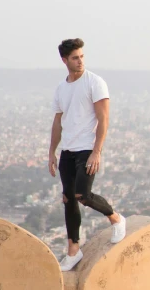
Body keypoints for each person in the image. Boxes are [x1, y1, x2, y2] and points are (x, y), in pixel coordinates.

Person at [48, 38, 126, 271]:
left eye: (82, 56)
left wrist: (97, 152)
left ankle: (116, 218)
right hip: (67, 151)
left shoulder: (95, 83)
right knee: (68, 199)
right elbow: (57, 122)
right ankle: (73, 250)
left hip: (87, 149)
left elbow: (104, 119)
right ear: (65, 60)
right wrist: (52, 152)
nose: (80, 61)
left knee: (83, 194)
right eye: (75, 58)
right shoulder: (61, 89)